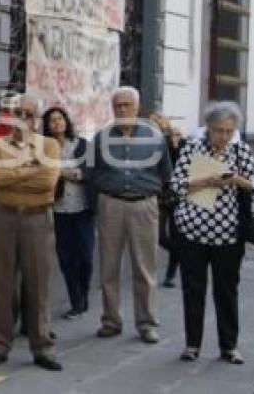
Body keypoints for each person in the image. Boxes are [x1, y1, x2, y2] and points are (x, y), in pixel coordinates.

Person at [169, 101, 254, 364]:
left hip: (229, 234)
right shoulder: (194, 148)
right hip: (192, 231)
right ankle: (192, 344)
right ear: (208, 128)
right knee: (193, 289)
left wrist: (234, 179)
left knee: (227, 290)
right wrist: (206, 181)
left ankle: (229, 346)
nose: (223, 136)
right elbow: (175, 186)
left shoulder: (241, 150)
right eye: (218, 130)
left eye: (229, 131)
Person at [0, 94, 62, 371]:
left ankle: (42, 347)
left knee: (38, 283)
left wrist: (13, 173)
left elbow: (48, 181)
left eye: (28, 113)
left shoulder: (49, 145)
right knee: (0, 283)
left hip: (38, 219)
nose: (22, 118)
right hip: (3, 216)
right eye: (17, 113)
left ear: (36, 119)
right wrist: (29, 170)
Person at [87, 87, 172, 344]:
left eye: (127, 105)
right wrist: (106, 186)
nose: (122, 110)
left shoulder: (154, 137)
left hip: (144, 205)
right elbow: (90, 171)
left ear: (137, 108)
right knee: (109, 266)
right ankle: (111, 320)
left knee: (145, 268)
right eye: (118, 106)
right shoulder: (101, 138)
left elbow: (166, 172)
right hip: (111, 204)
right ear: (113, 110)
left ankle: (147, 323)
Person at [42, 106, 93, 319]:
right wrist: (65, 173)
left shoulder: (81, 145)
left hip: (82, 208)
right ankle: (76, 302)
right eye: (52, 120)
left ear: (66, 121)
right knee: (66, 258)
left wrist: (66, 173)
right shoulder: (45, 147)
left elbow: (90, 171)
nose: (57, 123)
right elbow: (43, 172)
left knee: (85, 257)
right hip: (58, 210)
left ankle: (84, 295)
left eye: (60, 118)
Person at [148, 110, 183, 287]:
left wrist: (176, 143)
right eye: (153, 121)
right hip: (159, 195)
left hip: (178, 195)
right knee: (160, 236)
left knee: (176, 234)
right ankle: (183, 254)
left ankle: (170, 274)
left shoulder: (177, 139)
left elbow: (182, 164)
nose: (157, 123)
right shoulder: (149, 142)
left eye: (160, 119)